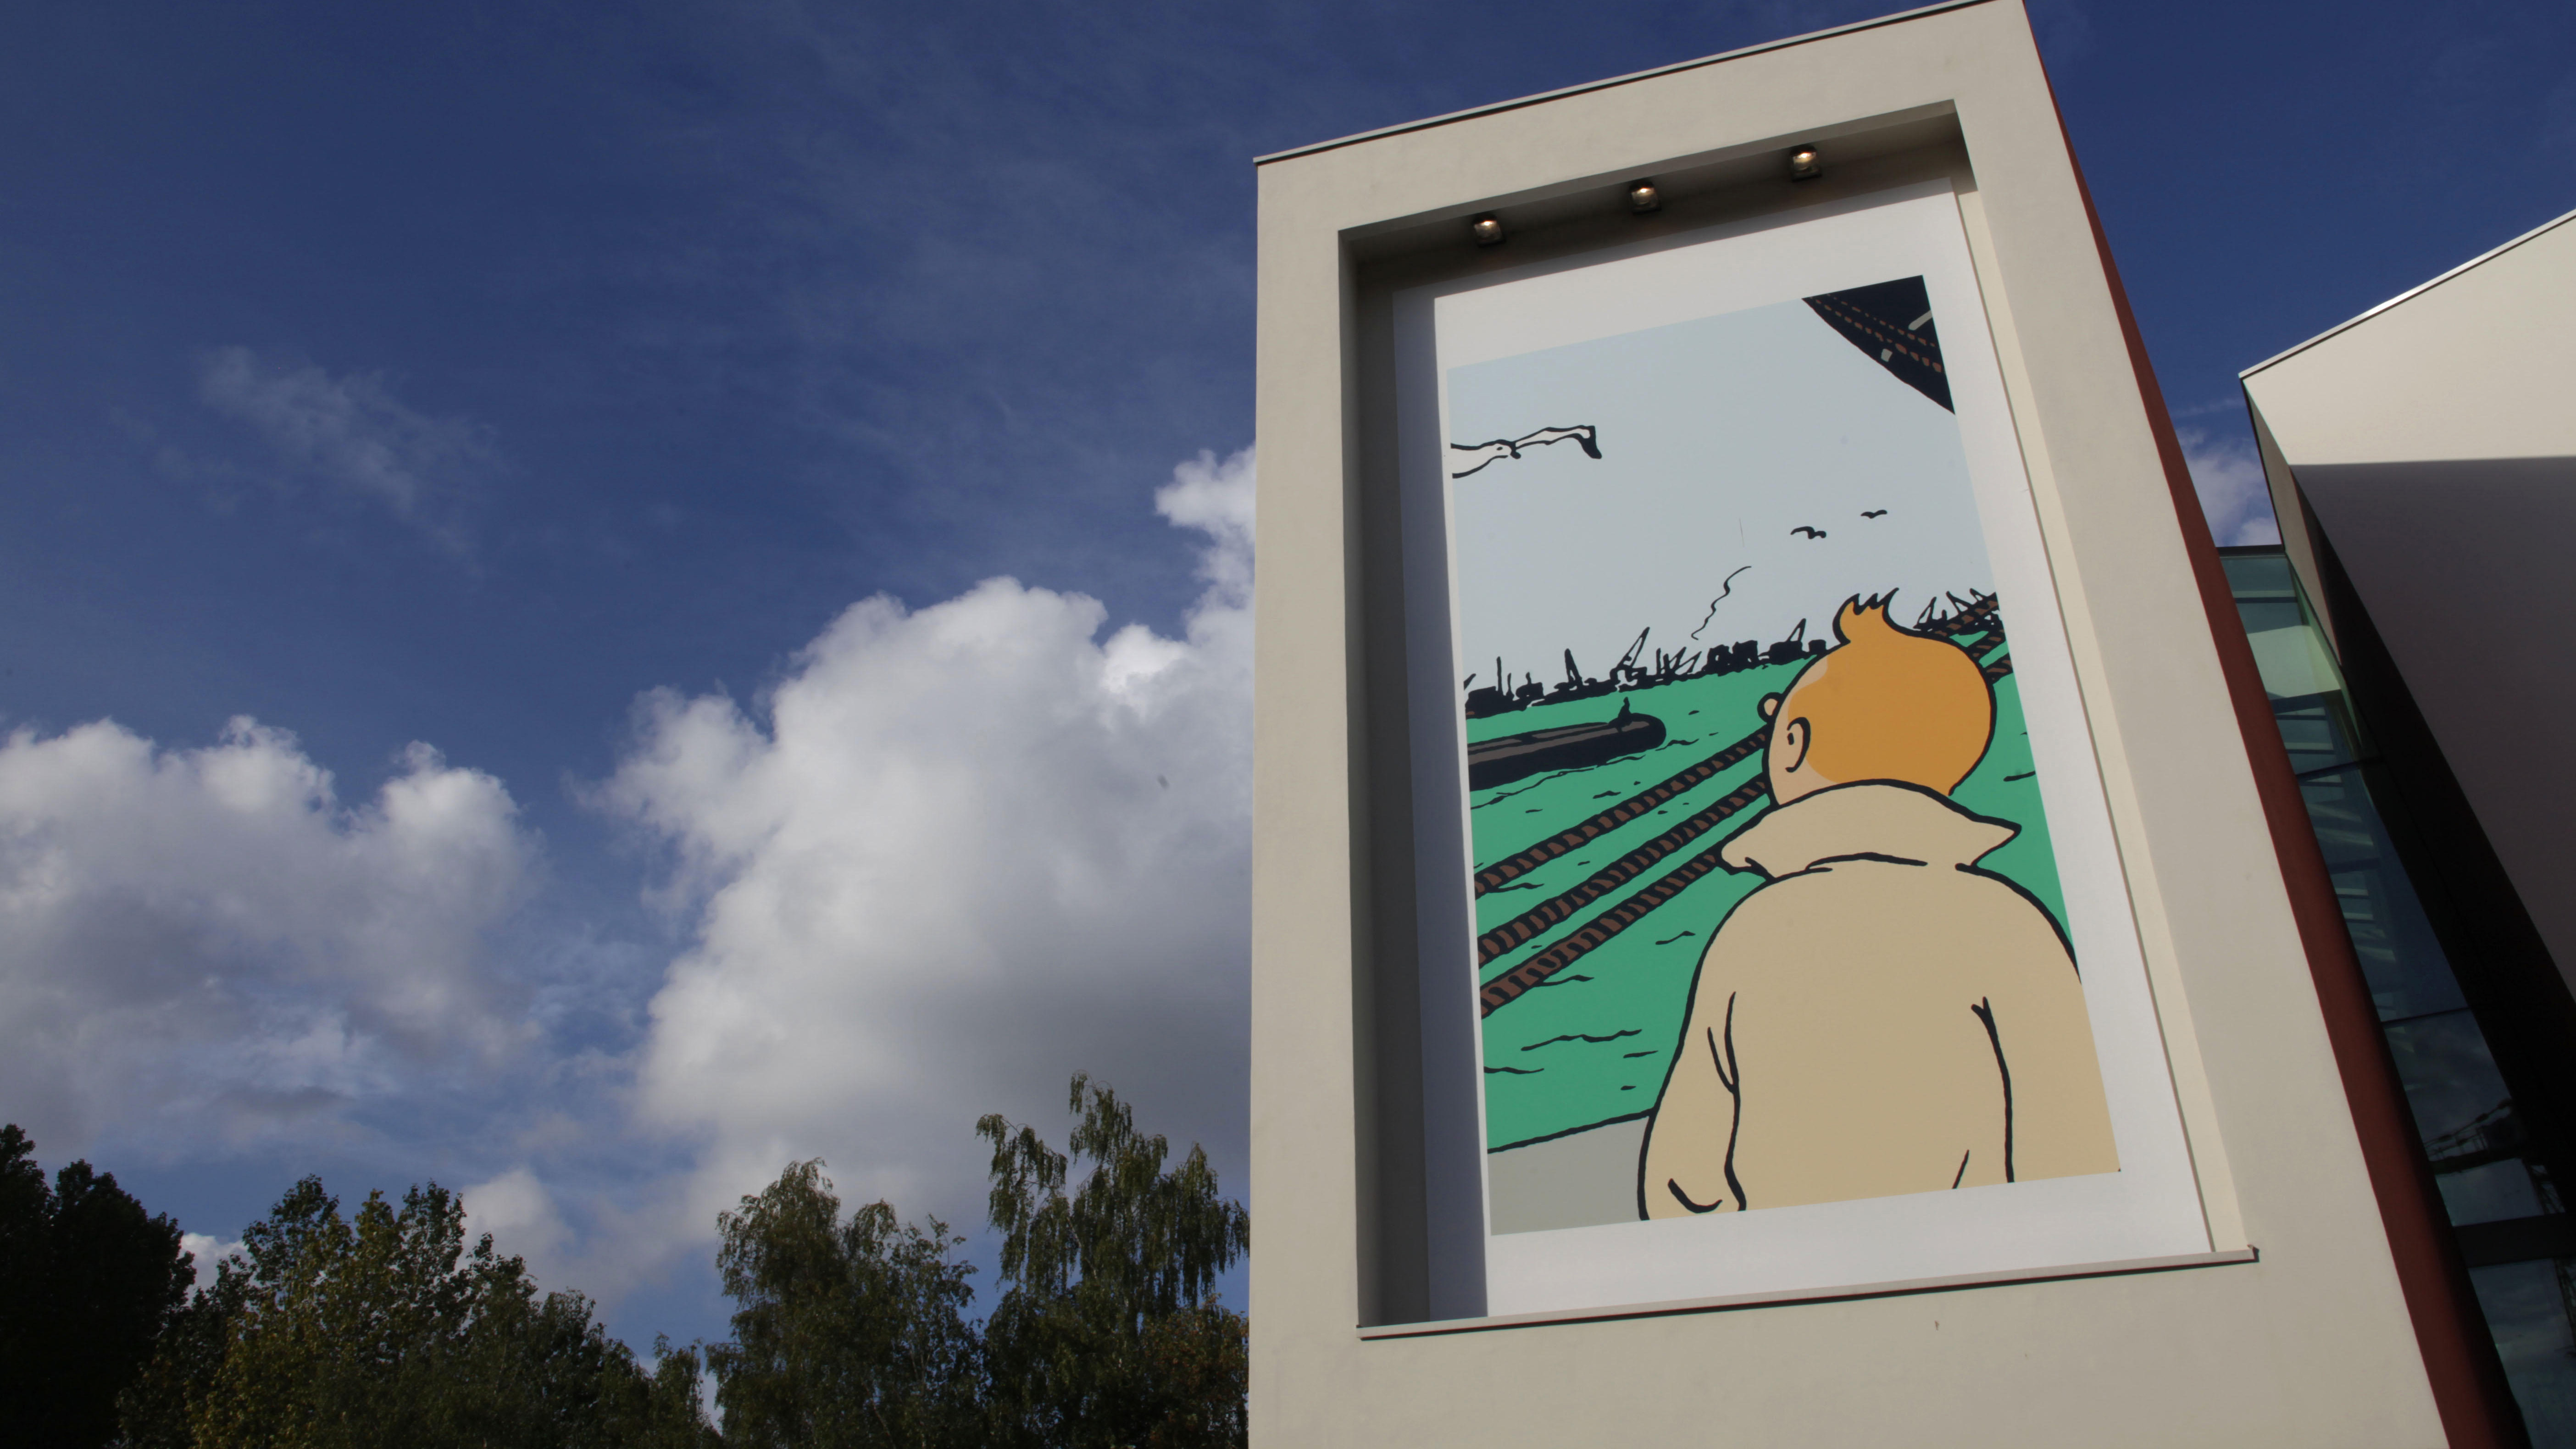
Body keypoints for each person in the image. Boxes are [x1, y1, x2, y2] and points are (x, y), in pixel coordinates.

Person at [1638, 594, 2117, 1220]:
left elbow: (1685, 1173)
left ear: (1793, 746)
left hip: (1792, 1263)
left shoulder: (1750, 930)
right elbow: (2072, 1129)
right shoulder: (2008, 919)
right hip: (1979, 1252)